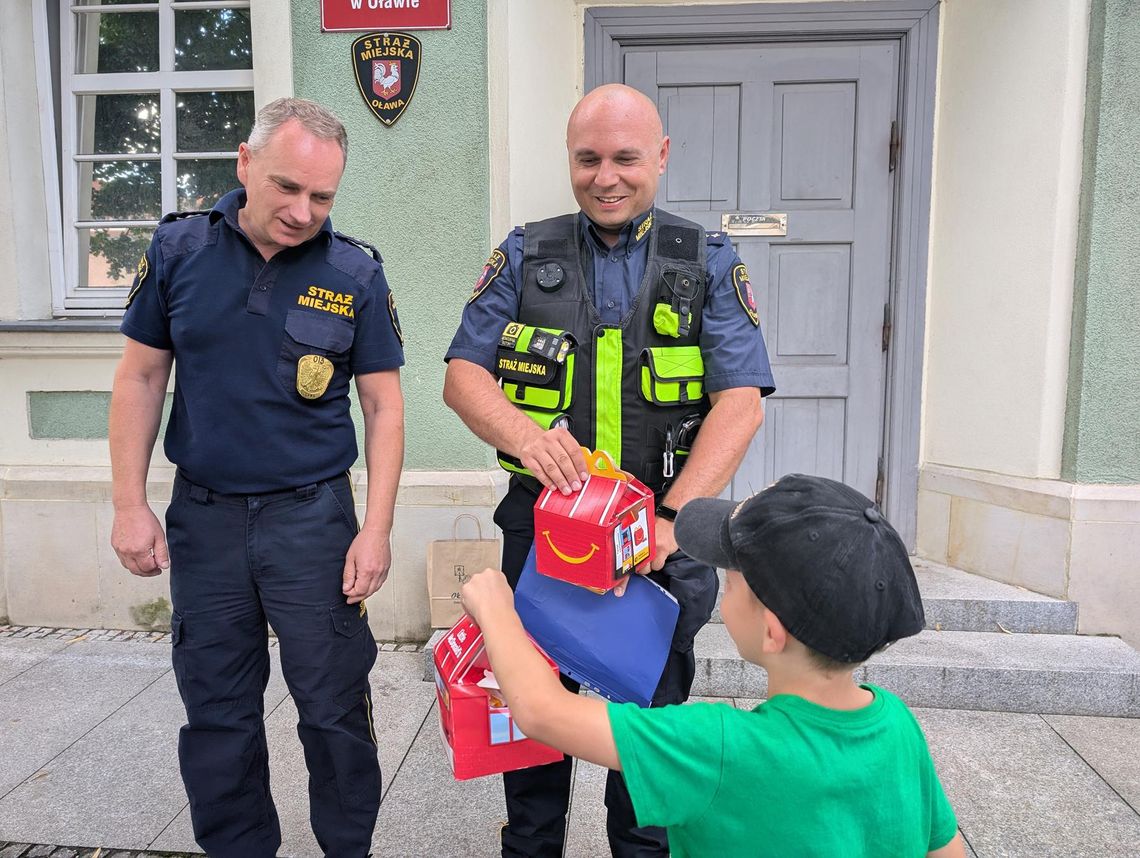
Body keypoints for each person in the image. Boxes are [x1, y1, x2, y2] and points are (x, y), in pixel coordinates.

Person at [443, 83, 776, 856]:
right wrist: (527, 438)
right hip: (546, 543)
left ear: (659, 156)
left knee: (651, 757)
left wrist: (671, 520)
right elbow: (464, 374)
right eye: (588, 159)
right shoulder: (526, 253)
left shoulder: (708, 262)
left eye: (625, 157)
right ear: (571, 159)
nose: (606, 177)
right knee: (531, 741)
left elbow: (741, 404)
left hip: (656, 552)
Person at [108, 97, 405, 858]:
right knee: (217, 711)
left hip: (312, 522)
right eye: (287, 187)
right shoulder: (177, 252)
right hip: (203, 521)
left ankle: (348, 847)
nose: (303, 211)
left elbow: (384, 405)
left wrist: (376, 530)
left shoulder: (356, 271)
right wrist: (128, 505)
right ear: (244, 164)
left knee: (334, 707)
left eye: (323, 196)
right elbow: (140, 379)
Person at [460, 474, 967, 858]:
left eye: (733, 570)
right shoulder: (898, 725)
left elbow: (543, 713)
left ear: (773, 630)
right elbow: (946, 849)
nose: (722, 576)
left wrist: (499, 612)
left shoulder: (718, 747)